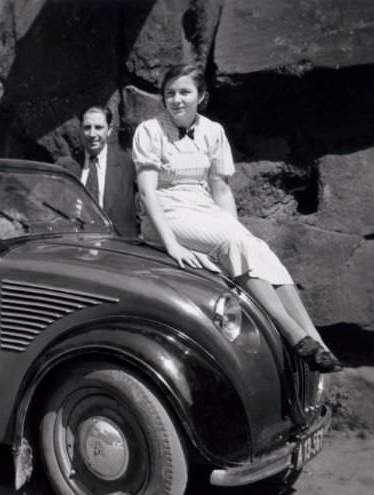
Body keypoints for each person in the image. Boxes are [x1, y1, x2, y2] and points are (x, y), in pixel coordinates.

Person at [131, 63, 342, 373]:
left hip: (203, 209)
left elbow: (221, 188)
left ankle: (316, 342)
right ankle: (292, 333)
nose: (176, 100)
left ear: (201, 96)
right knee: (234, 241)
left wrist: (235, 229)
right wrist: (172, 245)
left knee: (257, 247)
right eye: (170, 93)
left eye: (184, 92)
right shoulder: (149, 131)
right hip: (167, 212)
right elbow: (148, 192)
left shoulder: (213, 131)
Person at [56, 105, 137, 237]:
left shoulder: (128, 164)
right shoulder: (66, 166)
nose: (92, 134)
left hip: (117, 248)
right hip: (75, 246)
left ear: (109, 130)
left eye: (98, 127)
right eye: (87, 128)